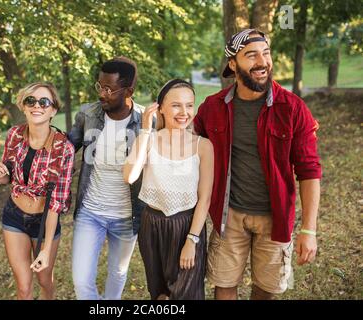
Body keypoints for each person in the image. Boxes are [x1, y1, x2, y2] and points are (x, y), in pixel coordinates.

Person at [194, 29, 322, 300]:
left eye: (266, 53)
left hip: (274, 218)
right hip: (229, 216)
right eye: (251, 55)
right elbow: (186, 144)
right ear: (233, 64)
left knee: (266, 289)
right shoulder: (212, 107)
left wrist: (309, 230)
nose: (262, 62)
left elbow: (309, 171)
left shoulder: (292, 108)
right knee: (224, 284)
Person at [124, 79, 213, 300]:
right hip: (152, 225)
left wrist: (192, 240)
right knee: (160, 295)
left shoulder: (203, 146)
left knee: (186, 295)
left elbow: (205, 199)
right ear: (160, 108)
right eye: (176, 105)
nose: (184, 112)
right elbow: (130, 176)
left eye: (189, 105)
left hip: (186, 226)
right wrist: (145, 130)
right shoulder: (148, 141)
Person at [68, 57, 148, 300]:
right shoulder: (88, 114)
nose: (102, 94)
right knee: (81, 282)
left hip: (127, 215)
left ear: (128, 92)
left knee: (118, 274)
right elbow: (66, 148)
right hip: (90, 212)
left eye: (109, 89)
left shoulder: (144, 121)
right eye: (99, 86)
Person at [0, 82, 74, 300]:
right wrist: (1, 175)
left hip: (44, 221)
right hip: (14, 216)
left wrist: (45, 249)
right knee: (24, 287)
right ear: (23, 106)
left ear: (53, 110)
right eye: (31, 101)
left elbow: (56, 202)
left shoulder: (63, 147)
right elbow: (8, 176)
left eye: (44, 102)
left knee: (44, 280)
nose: (37, 106)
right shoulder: (14, 135)